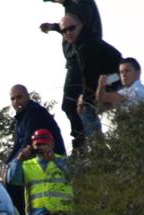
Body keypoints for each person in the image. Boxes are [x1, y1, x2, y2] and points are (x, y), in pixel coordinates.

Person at [41, 9, 122, 151]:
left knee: (85, 109)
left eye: (71, 28)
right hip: (111, 78)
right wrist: (53, 27)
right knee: (82, 103)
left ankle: (97, 150)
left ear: (81, 26)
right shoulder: (84, 39)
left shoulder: (85, 46)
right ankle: (92, 145)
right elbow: (66, 26)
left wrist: (85, 100)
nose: (68, 33)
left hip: (116, 78)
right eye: (64, 31)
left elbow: (89, 77)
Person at [6, 128, 73, 215]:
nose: (41, 147)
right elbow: (12, 179)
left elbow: (75, 174)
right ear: (33, 146)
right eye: (38, 145)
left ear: (52, 144)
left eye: (44, 144)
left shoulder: (64, 161)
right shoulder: (26, 165)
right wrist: (19, 159)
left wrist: (55, 160)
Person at [5, 84, 66, 215]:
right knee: (10, 177)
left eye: (19, 97)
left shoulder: (34, 114)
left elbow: (27, 145)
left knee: (13, 184)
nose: (16, 102)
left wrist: (12, 164)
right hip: (38, 161)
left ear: (28, 97)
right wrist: (6, 165)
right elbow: (17, 146)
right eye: (13, 99)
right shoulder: (22, 117)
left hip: (52, 161)